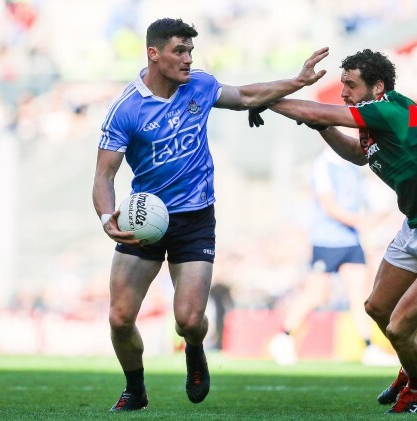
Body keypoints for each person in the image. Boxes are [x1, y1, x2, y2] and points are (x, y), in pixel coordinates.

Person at [93, 18, 328, 411]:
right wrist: (105, 219)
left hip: (194, 219)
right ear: (154, 54)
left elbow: (247, 96)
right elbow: (104, 175)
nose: (188, 59)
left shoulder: (199, 85)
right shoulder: (126, 109)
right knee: (119, 319)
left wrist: (298, 81)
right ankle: (135, 388)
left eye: (190, 52)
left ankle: (195, 347)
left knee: (187, 320)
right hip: (143, 220)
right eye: (179, 51)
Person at [249, 49, 417, 414]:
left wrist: (268, 99)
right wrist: (322, 127)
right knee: (377, 308)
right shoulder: (377, 122)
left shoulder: (389, 109)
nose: (343, 93)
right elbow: (358, 155)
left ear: (377, 87)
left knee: (399, 328)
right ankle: (416, 366)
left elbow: (315, 110)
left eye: (350, 85)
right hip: (416, 225)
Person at [268, 147, 398, 367]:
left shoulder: (353, 166)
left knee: (360, 295)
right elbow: (328, 206)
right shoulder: (323, 165)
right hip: (327, 240)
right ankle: (283, 336)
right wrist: (360, 221)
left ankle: (368, 347)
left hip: (351, 240)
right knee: (316, 294)